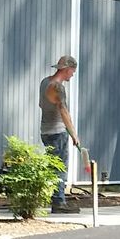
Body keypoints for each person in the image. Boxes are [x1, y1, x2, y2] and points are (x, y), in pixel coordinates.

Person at [39, 55, 82, 211]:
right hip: (57, 132)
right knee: (60, 167)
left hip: (45, 131)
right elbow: (63, 111)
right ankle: (58, 202)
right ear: (67, 69)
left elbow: (40, 104)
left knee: (52, 166)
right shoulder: (58, 87)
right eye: (73, 72)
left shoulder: (45, 82)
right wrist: (74, 134)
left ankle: (53, 197)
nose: (72, 75)